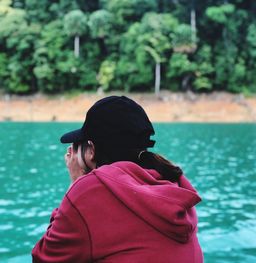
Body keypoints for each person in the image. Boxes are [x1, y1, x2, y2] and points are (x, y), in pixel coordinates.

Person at [32, 96, 203, 263]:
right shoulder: (174, 182)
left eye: (79, 146)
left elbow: (44, 257)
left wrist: (76, 182)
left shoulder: (91, 190)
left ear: (91, 150)